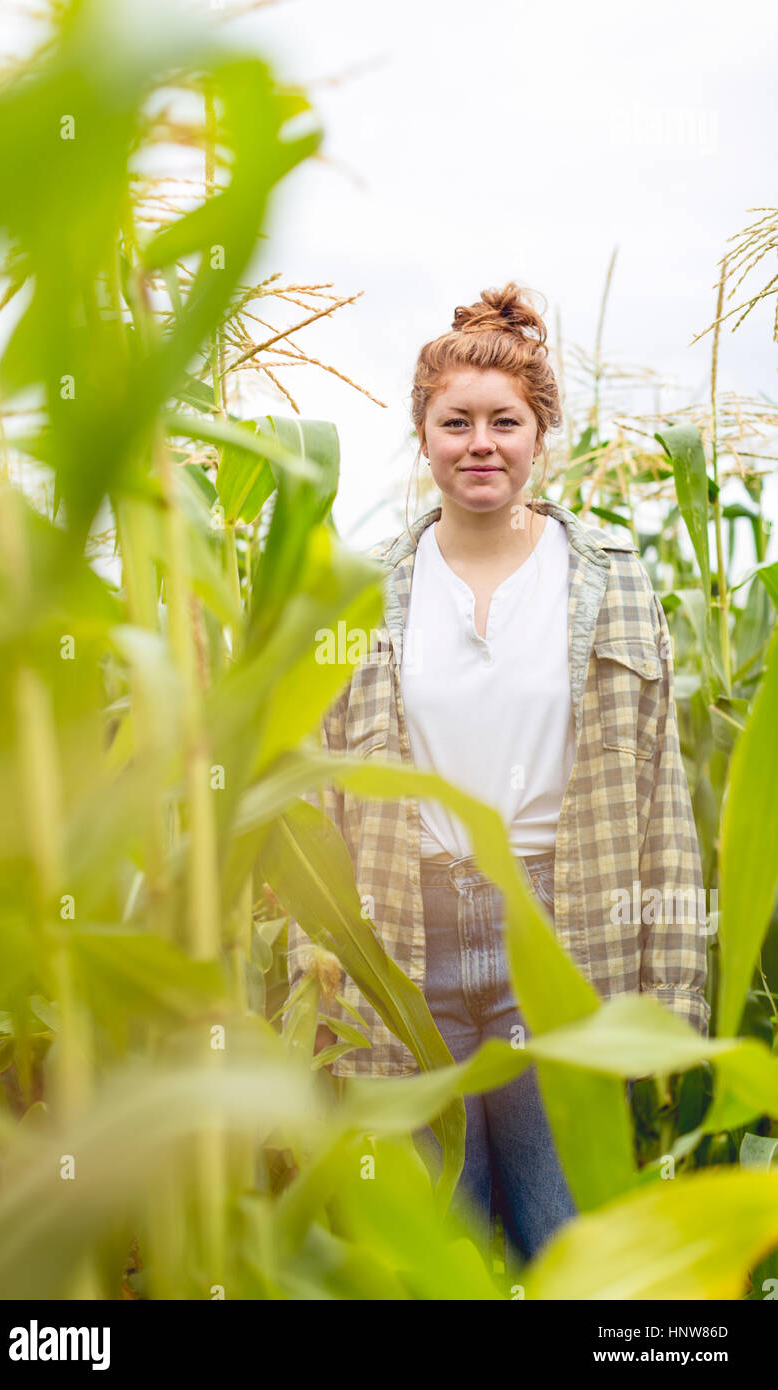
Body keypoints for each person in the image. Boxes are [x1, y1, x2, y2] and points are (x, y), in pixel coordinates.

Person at [286, 282, 710, 1264]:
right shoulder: (363, 596)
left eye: (504, 422)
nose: (481, 442)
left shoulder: (614, 584)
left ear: (539, 435)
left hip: (555, 941)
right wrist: (316, 977)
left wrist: (675, 1006)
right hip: (400, 943)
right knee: (439, 1245)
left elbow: (660, 802)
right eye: (456, 422)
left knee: (566, 1239)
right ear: (423, 436)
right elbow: (316, 789)